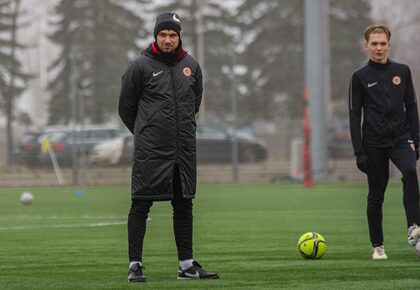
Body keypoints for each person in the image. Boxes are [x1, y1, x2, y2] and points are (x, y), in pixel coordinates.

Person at [118, 12, 219, 282]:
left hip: (183, 150)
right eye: (163, 34)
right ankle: (135, 266)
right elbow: (126, 109)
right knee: (140, 205)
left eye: (172, 35)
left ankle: (186, 266)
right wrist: (147, 133)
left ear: (179, 37)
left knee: (184, 205)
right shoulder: (139, 66)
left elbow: (193, 105)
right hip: (151, 151)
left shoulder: (191, 66)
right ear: (155, 36)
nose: (167, 39)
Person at [349, 24, 420, 259]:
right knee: (376, 195)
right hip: (373, 142)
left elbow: (411, 106)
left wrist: (416, 139)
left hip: (401, 137)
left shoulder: (403, 71)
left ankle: (414, 229)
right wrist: (359, 151)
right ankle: (377, 246)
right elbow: (354, 114)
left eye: (382, 43)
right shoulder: (359, 77)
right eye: (374, 43)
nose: (379, 48)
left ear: (389, 45)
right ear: (366, 46)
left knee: (410, 171)